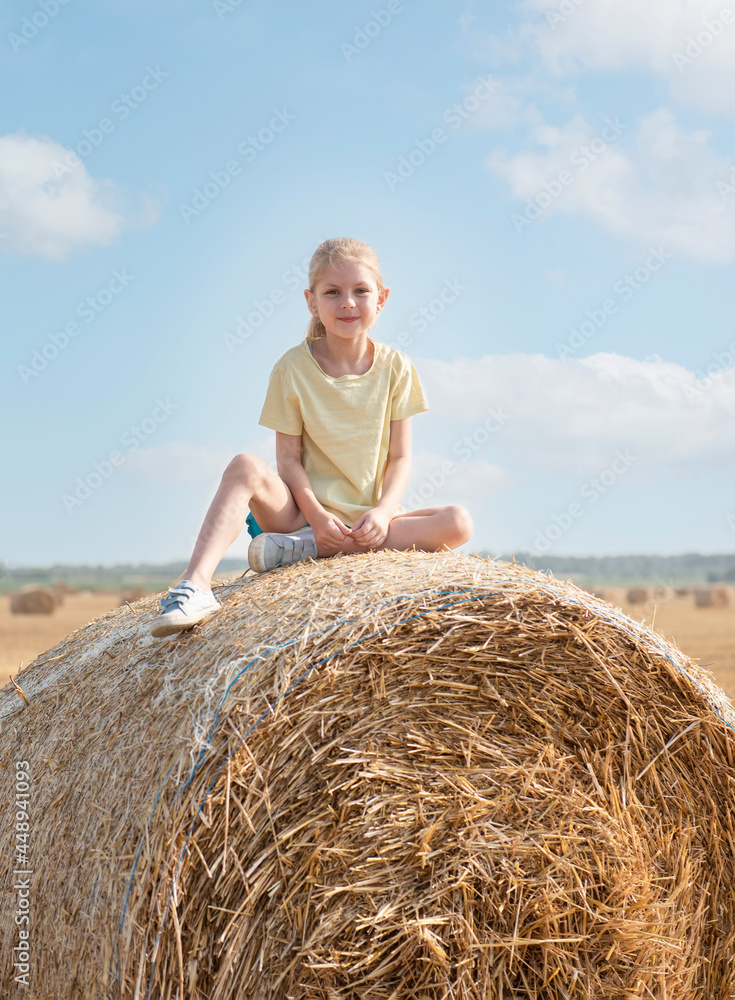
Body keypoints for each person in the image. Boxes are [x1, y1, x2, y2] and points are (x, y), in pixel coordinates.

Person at [150, 237, 473, 638]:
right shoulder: (291, 368)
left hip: (370, 519)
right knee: (244, 467)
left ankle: (314, 549)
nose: (348, 303)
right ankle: (195, 585)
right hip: (300, 514)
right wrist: (318, 517)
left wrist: (384, 512)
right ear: (311, 301)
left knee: (458, 522)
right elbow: (287, 459)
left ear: (382, 298)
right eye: (332, 292)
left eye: (360, 291)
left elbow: (401, 458)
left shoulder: (397, 367)